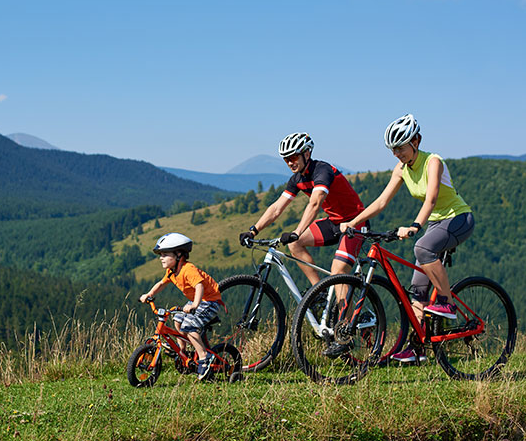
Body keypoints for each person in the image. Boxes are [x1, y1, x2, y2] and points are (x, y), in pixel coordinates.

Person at [340, 114, 475, 364]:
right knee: (417, 289)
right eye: (393, 149)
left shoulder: (433, 162)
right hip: (435, 223)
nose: (396, 154)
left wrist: (415, 225)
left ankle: (447, 302)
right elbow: (381, 202)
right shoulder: (401, 169)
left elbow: (431, 199)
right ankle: (417, 348)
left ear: (416, 141)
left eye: (400, 147)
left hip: (458, 218)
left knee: (422, 247)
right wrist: (354, 222)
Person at [239, 132, 369, 285]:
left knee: (338, 273)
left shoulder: (322, 171)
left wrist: (297, 232)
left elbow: (315, 203)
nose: (289, 163)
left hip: (355, 222)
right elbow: (276, 208)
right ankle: (318, 293)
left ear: (307, 154)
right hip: (334, 223)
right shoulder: (297, 179)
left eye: (293, 157)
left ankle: (343, 309)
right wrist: (254, 230)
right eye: (286, 159)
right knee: (295, 244)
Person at [139, 232, 223, 379]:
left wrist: (195, 305)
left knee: (189, 326)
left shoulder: (187, 269)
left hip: (209, 301)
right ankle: (182, 352)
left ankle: (204, 357)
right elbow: (161, 284)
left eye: (165, 254)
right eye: (161, 254)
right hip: (197, 301)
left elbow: (199, 286)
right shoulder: (172, 271)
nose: (161, 258)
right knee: (178, 320)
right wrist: (149, 294)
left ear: (178, 254)